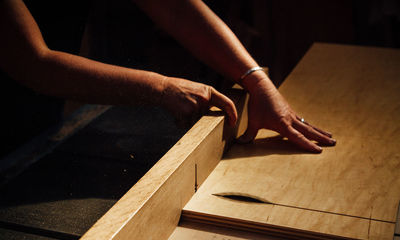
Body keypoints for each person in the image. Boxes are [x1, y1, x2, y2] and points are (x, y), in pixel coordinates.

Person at [0, 0, 336, 155]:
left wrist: (256, 80)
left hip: (41, 118)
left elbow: (175, 8)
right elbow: (32, 61)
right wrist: (160, 87)